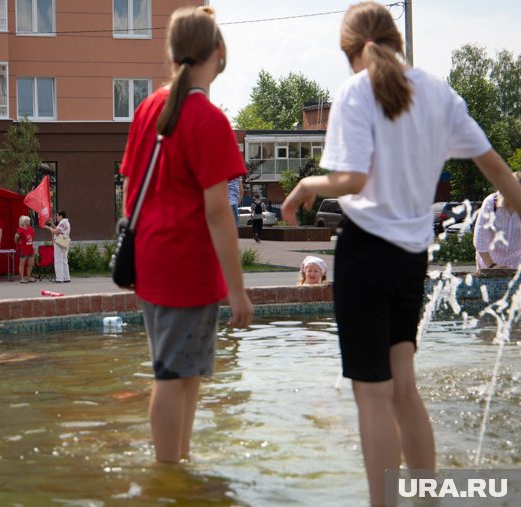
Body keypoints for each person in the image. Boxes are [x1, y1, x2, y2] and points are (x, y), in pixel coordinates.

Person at [280, 3, 521, 505]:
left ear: (351, 53)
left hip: (366, 254)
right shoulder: (439, 94)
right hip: (411, 260)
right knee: (405, 390)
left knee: (372, 396)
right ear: (398, 41)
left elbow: (352, 180)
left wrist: (307, 184)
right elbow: (501, 174)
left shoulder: (353, 92)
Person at [119, 6, 253, 464]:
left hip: (152, 261)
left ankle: (179, 461)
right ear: (218, 51)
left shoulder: (148, 108)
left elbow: (129, 186)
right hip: (186, 267)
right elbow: (220, 212)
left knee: (181, 372)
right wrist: (238, 292)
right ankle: (168, 472)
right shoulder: (208, 120)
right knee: (173, 375)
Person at [473, 172, 521, 270]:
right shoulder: (491, 202)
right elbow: (480, 237)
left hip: (516, 265)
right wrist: (491, 265)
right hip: (489, 264)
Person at [46, 210, 70, 283]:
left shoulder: (62, 222)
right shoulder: (66, 222)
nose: (56, 217)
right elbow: (58, 229)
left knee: (58, 259)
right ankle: (66, 277)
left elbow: (55, 231)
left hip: (60, 240)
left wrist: (48, 227)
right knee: (64, 260)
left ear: (61, 216)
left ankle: (59, 278)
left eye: (57, 216)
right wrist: (52, 224)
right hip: (65, 240)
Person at [15, 215, 35, 283]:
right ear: (24, 221)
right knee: (22, 263)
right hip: (23, 249)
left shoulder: (31, 229)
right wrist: (18, 244)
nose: (29, 221)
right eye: (28, 220)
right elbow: (16, 238)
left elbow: (32, 237)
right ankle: (22, 278)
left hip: (30, 248)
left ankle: (28, 277)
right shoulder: (20, 230)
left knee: (31, 263)